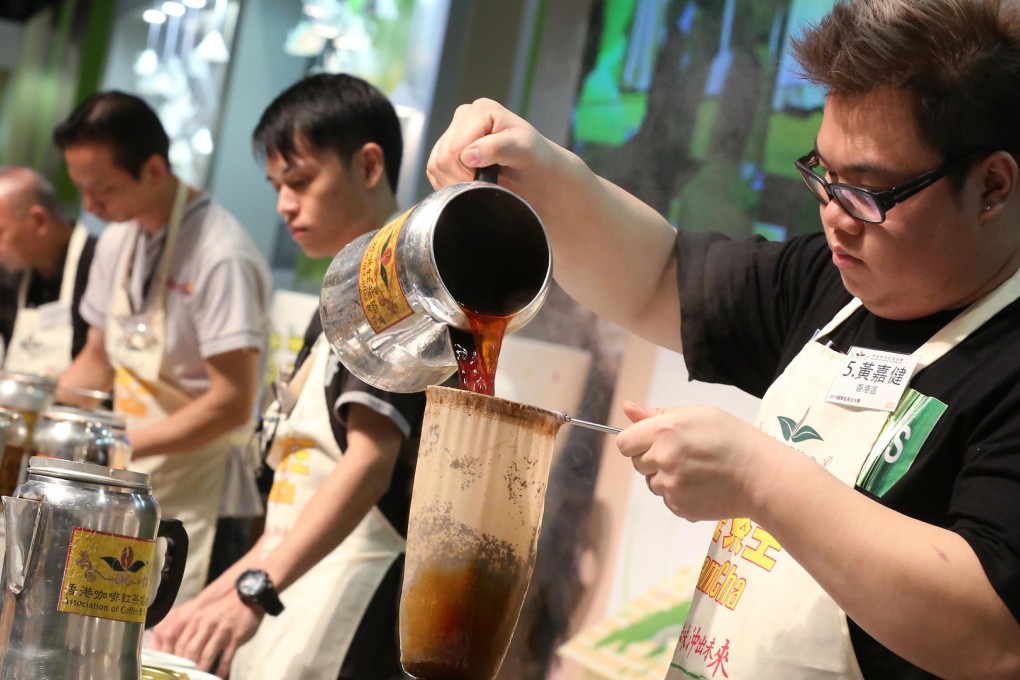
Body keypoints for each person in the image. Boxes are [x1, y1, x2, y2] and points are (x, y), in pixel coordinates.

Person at [425, 1, 1020, 677]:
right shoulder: (831, 287)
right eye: (824, 175)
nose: (835, 217)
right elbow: (660, 278)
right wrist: (542, 173)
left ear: (992, 186)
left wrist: (760, 478)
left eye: (869, 193)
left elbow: (994, 637)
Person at [149, 73, 424, 680]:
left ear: (369, 165)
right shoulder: (341, 294)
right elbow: (291, 508)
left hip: (353, 595)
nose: (283, 205)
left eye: (300, 181)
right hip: (291, 587)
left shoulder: (395, 289)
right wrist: (210, 602)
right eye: (277, 186)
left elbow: (368, 463)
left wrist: (253, 592)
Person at [53, 91, 271, 603]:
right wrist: (50, 419)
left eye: (100, 190)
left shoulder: (221, 254)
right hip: (129, 476)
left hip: (201, 487)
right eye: (80, 189)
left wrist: (118, 447)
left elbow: (231, 402)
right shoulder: (117, 237)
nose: (89, 207)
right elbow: (97, 356)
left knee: (166, 635)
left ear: (153, 170)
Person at [0, 166, 96, 377]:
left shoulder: (99, 262)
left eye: (0, 233)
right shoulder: (9, 274)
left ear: (39, 221)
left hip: (77, 406)